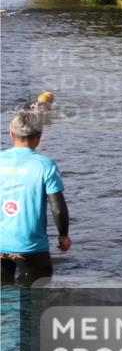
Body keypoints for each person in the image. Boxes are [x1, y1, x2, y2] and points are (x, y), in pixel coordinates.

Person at [0, 110, 70, 283]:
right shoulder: (45, 165)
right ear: (39, 136)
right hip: (32, 248)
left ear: (11, 134)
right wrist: (63, 236)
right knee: (35, 299)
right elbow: (58, 208)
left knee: (3, 296)